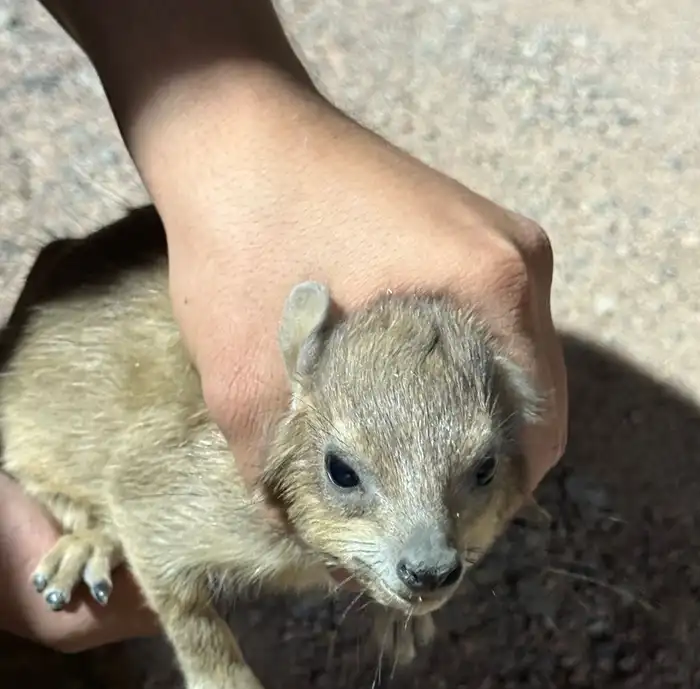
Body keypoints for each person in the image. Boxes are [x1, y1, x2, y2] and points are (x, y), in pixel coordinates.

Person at [0, 0, 567, 652]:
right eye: (345, 476)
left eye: (481, 469)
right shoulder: (244, 465)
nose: (435, 552)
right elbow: (140, 491)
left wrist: (253, 118)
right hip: (46, 429)